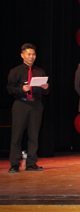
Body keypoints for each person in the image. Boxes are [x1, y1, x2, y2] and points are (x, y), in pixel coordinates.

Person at [7, 43, 49, 173]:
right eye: (29, 54)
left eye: (33, 54)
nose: (31, 57)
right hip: (21, 104)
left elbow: (46, 92)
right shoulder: (15, 71)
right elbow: (9, 88)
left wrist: (46, 88)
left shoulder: (39, 71)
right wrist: (21, 89)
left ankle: (31, 163)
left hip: (36, 104)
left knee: (34, 134)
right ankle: (14, 164)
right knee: (17, 134)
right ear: (22, 55)